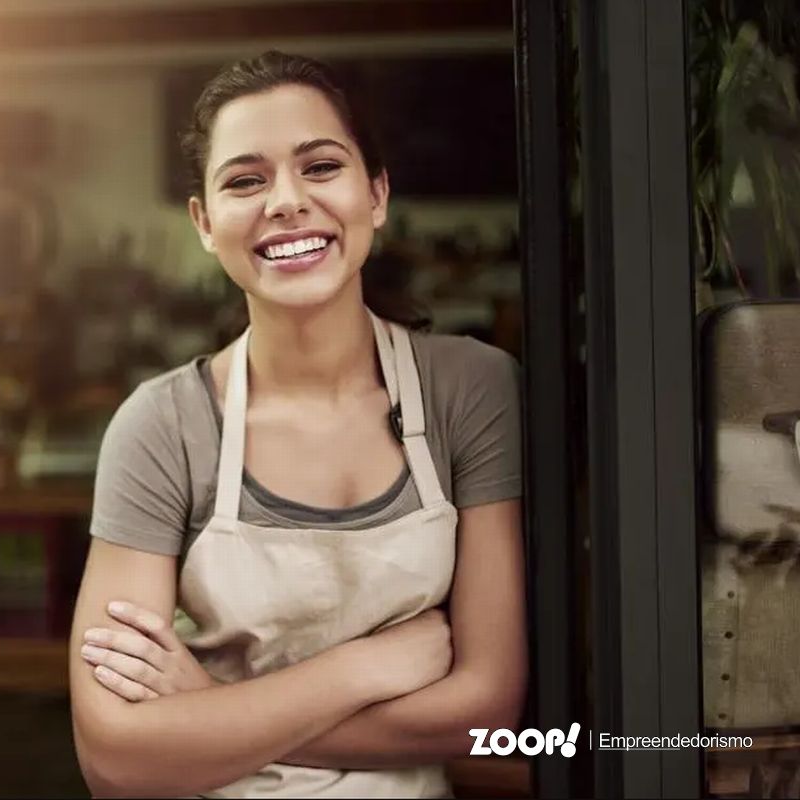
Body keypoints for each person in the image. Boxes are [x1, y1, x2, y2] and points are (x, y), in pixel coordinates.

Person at [69, 50, 526, 798]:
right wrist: (365, 668)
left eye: (320, 166)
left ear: (376, 194)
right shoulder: (162, 426)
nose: (285, 201)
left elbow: (491, 712)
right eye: (245, 181)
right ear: (205, 223)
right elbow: (117, 758)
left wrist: (210, 717)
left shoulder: (469, 391)